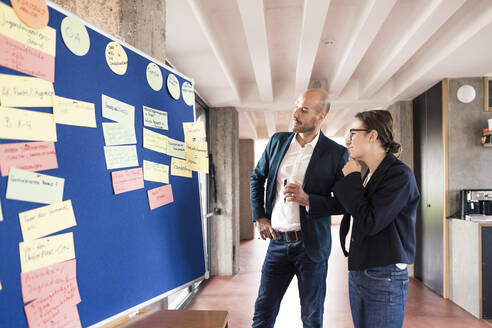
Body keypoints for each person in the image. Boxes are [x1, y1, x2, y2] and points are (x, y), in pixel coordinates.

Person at [250, 89, 348, 328]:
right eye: (296, 106)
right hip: (277, 243)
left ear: (320, 117)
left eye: (304, 110)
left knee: (312, 318)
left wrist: (309, 200)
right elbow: (257, 178)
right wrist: (260, 216)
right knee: (262, 314)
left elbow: (344, 203)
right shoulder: (277, 141)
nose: (295, 113)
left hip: (312, 247)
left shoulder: (336, 154)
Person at [332, 110, 420, 328]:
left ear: (373, 135)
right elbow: (353, 208)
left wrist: (352, 178)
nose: (347, 140)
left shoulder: (399, 174)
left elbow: (371, 221)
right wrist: (308, 201)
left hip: (384, 275)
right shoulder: (370, 173)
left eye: (353, 133)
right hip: (361, 269)